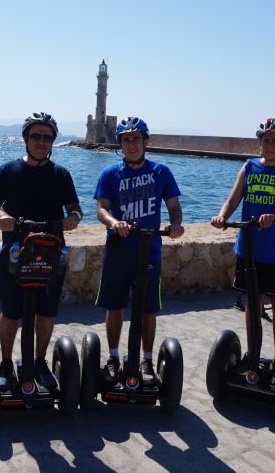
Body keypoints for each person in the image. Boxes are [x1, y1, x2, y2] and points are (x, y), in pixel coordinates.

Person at [0, 112, 83, 388]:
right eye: (36, 136)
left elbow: (75, 208)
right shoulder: (8, 170)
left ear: (52, 141)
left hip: (51, 253)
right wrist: (0, 216)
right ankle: (5, 362)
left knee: (47, 311)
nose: (41, 142)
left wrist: (73, 218)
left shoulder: (61, 175)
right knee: (10, 311)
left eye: (47, 137)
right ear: (26, 138)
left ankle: (40, 362)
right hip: (15, 250)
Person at [210, 117, 275, 388]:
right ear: (260, 142)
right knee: (253, 304)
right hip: (250, 249)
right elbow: (233, 199)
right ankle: (252, 355)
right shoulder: (249, 167)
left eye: (274, 140)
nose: (269, 144)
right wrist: (221, 216)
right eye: (265, 139)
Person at [94, 117, 184, 384]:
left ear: (146, 141)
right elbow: (101, 209)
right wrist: (114, 222)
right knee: (114, 306)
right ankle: (112, 357)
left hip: (149, 251)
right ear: (120, 143)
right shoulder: (110, 174)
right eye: (126, 140)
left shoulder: (161, 172)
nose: (131, 145)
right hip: (119, 249)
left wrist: (176, 225)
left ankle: (146, 360)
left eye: (136, 139)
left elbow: (174, 207)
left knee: (147, 309)